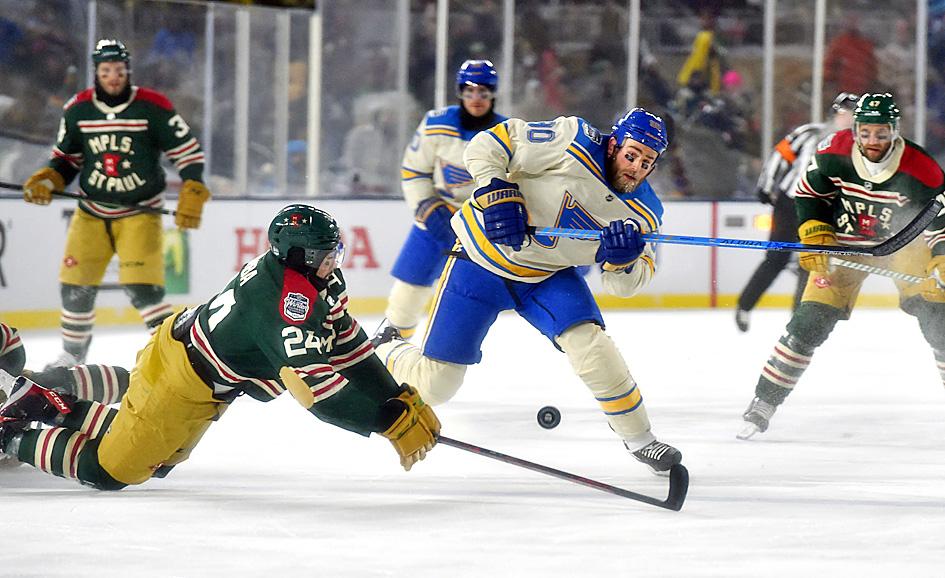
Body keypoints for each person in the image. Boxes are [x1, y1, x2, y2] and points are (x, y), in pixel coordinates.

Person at [0, 205, 440, 489]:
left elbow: (350, 348)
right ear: (299, 257)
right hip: (182, 379)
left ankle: (49, 405)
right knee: (114, 471)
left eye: (335, 251)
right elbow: (317, 394)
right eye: (326, 253)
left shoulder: (312, 278)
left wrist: (392, 396)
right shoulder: (286, 303)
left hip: (194, 370)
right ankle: (12, 434)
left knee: (162, 458)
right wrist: (384, 422)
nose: (335, 260)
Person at [374, 107, 683, 475]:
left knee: (592, 346)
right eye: (631, 155)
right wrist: (494, 187)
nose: (636, 167)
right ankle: (384, 346)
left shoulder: (645, 213)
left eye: (647, 162)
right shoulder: (573, 139)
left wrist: (624, 260)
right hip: (481, 261)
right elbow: (489, 144)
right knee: (438, 385)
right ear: (614, 145)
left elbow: (624, 285)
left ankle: (640, 440)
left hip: (547, 276)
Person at [738, 93, 945, 439]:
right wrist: (815, 232)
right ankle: (763, 402)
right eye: (865, 133)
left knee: (938, 320)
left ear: (895, 131)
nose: (872, 142)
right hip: (843, 246)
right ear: (857, 130)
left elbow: (941, 220)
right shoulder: (834, 151)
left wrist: (941, 257)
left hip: (904, 246)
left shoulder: (920, 166)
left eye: (881, 134)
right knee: (808, 323)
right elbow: (807, 194)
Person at [21, 39, 211, 368]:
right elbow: (67, 160)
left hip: (140, 211)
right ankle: (72, 355)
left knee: (144, 289)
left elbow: (186, 150)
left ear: (128, 72)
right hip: (91, 212)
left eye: (119, 71)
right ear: (96, 72)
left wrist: (193, 186)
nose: (112, 77)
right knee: (75, 286)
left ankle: (172, 355)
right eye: (106, 71)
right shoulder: (78, 109)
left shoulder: (152, 106)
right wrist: (50, 180)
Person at [383, 60, 507, 339]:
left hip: (480, 227)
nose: (476, 99)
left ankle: (449, 350)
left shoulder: (508, 132)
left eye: (483, 93)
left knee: (467, 297)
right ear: (459, 92)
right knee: (408, 290)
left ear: (493, 94)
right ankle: (391, 343)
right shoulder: (436, 123)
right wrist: (427, 208)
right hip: (436, 216)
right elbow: (414, 170)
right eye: (469, 91)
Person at [735, 93, 859, 332]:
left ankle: (797, 321)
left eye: (852, 115)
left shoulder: (857, 147)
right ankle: (744, 305)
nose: (848, 119)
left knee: (811, 264)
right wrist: (766, 185)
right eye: (845, 113)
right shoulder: (810, 133)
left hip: (821, 210)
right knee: (776, 259)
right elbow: (780, 155)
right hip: (789, 203)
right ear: (835, 113)